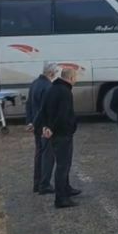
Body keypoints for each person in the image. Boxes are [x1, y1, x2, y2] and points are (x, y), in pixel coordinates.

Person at [41, 67, 82, 209]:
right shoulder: (65, 92)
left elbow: (45, 109)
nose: (76, 79)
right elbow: (63, 114)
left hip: (57, 133)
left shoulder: (53, 88)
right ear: (70, 78)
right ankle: (61, 198)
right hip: (62, 134)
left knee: (64, 164)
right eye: (76, 77)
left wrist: (46, 126)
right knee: (63, 165)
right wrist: (54, 128)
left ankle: (66, 188)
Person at [27, 62, 57, 194]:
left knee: (39, 153)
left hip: (36, 124)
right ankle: (44, 184)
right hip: (43, 125)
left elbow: (29, 104)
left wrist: (30, 122)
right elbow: (45, 109)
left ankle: (37, 183)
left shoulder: (34, 83)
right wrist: (42, 124)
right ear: (51, 73)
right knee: (47, 154)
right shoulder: (48, 86)